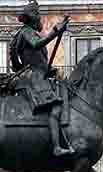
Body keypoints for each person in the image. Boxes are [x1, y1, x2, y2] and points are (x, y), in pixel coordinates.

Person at [10, 0, 73, 157]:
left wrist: (51, 70)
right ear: (32, 17)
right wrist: (55, 32)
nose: (40, 18)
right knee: (56, 107)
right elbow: (37, 45)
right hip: (35, 78)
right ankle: (56, 147)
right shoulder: (26, 32)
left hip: (39, 75)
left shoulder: (27, 32)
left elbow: (38, 61)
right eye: (38, 15)